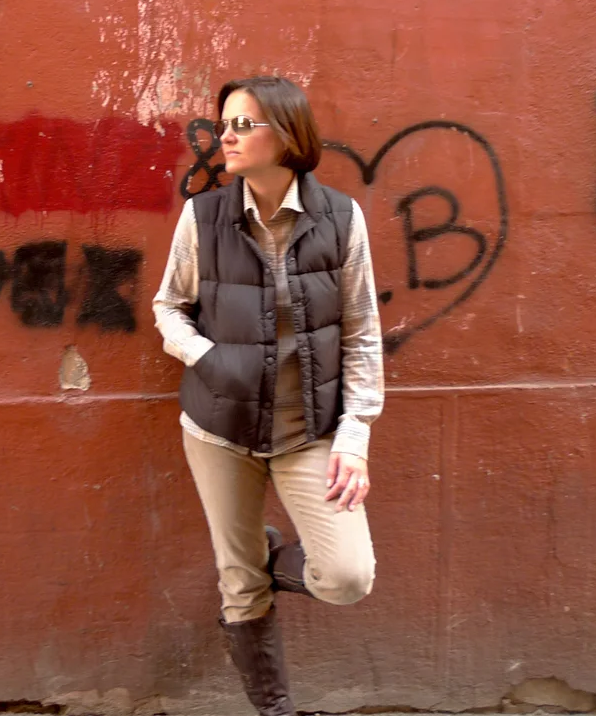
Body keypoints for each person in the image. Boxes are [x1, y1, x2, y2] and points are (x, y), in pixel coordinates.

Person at [153, 76, 383, 716]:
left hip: (308, 428)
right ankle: (275, 710)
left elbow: (363, 331)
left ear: (287, 136)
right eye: (225, 122)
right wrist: (208, 358)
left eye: (243, 124)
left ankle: (264, 557)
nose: (225, 135)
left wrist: (356, 437)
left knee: (346, 577)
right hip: (219, 429)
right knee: (239, 585)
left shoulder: (341, 218)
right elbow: (169, 306)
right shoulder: (204, 216)